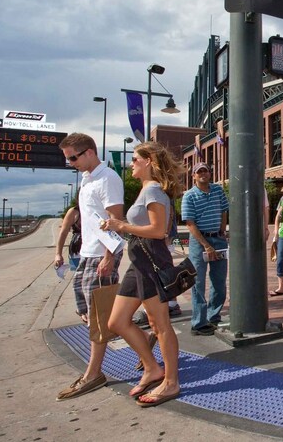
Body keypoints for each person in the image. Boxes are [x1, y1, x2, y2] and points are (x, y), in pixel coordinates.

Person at [104, 141, 184, 408]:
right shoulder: (145, 191)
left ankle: (171, 382)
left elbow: (159, 231)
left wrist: (121, 225)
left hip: (151, 259)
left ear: (149, 161)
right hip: (137, 258)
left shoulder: (155, 191)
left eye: (135, 159)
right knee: (116, 322)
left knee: (159, 324)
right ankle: (152, 368)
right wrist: (119, 227)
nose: (131, 164)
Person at [55, 133, 124, 401]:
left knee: (98, 313)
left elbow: (115, 219)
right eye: (67, 159)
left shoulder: (108, 179)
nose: (70, 162)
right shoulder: (87, 181)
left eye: (73, 157)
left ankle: (93, 373)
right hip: (87, 253)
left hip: (101, 254)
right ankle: (144, 337)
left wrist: (108, 256)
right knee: (88, 309)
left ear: (90, 153)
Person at [181, 162, 229, 335]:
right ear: (193, 175)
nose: (203, 174)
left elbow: (224, 209)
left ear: (210, 173)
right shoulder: (189, 196)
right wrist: (206, 245)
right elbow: (190, 224)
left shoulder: (217, 190)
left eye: (205, 171)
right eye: (199, 171)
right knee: (198, 282)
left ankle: (214, 316)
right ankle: (198, 323)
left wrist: (222, 230)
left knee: (219, 281)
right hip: (198, 242)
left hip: (218, 239)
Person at [54, 199, 81, 273]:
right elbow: (63, 233)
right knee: (78, 280)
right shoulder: (73, 212)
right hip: (77, 251)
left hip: (97, 252)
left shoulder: (99, 209)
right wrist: (58, 254)